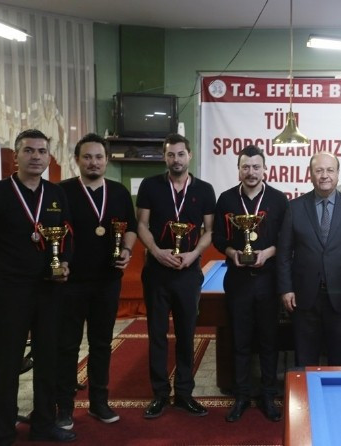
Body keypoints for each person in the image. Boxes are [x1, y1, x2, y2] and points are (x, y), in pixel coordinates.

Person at [0, 129, 76, 444]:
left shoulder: (56, 193)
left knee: (48, 361)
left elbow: (67, 235)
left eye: (42, 151)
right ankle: (2, 434)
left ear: (49, 157)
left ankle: (44, 424)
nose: (36, 156)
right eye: (29, 150)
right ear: (16, 156)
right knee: (8, 364)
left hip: (50, 290)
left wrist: (65, 263)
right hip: (10, 292)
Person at [55, 133, 138, 429]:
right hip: (71, 283)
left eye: (99, 157)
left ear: (106, 160)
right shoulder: (62, 191)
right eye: (87, 157)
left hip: (107, 281)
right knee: (67, 346)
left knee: (102, 344)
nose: (94, 162)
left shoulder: (118, 192)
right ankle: (64, 407)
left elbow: (131, 228)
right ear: (77, 160)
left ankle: (99, 402)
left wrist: (127, 250)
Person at [136, 133, 216, 418]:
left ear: (189, 155)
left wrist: (194, 254)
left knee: (186, 334)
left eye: (181, 154)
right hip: (157, 271)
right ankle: (159, 394)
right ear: (164, 157)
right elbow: (141, 224)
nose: (176, 159)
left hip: (188, 272)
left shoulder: (204, 189)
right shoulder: (150, 185)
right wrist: (157, 252)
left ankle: (184, 393)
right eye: (170, 154)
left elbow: (210, 230)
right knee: (157, 334)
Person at [212, 145, 288, 423]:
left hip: (269, 281)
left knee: (269, 340)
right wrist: (232, 252)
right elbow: (218, 237)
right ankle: (242, 395)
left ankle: (268, 394)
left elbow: (286, 240)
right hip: (238, 281)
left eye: (256, 167)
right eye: (246, 167)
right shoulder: (226, 199)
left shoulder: (279, 199)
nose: (251, 172)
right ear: (239, 169)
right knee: (240, 340)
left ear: (265, 169)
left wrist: (268, 253)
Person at [277, 153, 341, 366]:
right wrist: (286, 289)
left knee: (339, 360)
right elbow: (284, 253)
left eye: (330, 170)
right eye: (319, 170)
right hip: (304, 297)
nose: (324, 175)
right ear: (311, 174)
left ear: (338, 174)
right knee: (305, 360)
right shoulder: (294, 207)